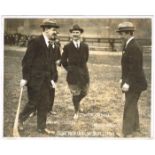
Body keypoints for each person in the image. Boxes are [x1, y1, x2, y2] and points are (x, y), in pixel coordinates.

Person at [19, 19, 59, 135]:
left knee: (44, 104)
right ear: (46, 29)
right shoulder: (36, 42)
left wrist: (52, 79)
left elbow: (51, 64)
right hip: (34, 80)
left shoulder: (52, 45)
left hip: (46, 81)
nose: (55, 32)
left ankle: (41, 127)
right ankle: (21, 119)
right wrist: (25, 78)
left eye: (55, 30)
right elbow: (26, 61)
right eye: (53, 30)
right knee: (33, 103)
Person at [116, 22, 147, 137]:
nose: (120, 36)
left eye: (122, 34)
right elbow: (127, 66)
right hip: (132, 81)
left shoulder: (134, 47)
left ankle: (127, 132)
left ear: (129, 33)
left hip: (135, 83)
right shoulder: (128, 45)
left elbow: (135, 68)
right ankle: (136, 127)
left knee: (129, 105)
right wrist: (122, 78)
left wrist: (128, 82)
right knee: (132, 104)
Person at [61, 24, 90, 120]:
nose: (75, 34)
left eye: (77, 32)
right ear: (71, 34)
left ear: (81, 34)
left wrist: (81, 70)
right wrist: (70, 69)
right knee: (75, 94)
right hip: (72, 75)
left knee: (84, 92)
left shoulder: (85, 46)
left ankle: (77, 103)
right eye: (73, 33)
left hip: (84, 74)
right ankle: (76, 111)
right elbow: (64, 61)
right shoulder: (67, 47)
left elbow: (86, 59)